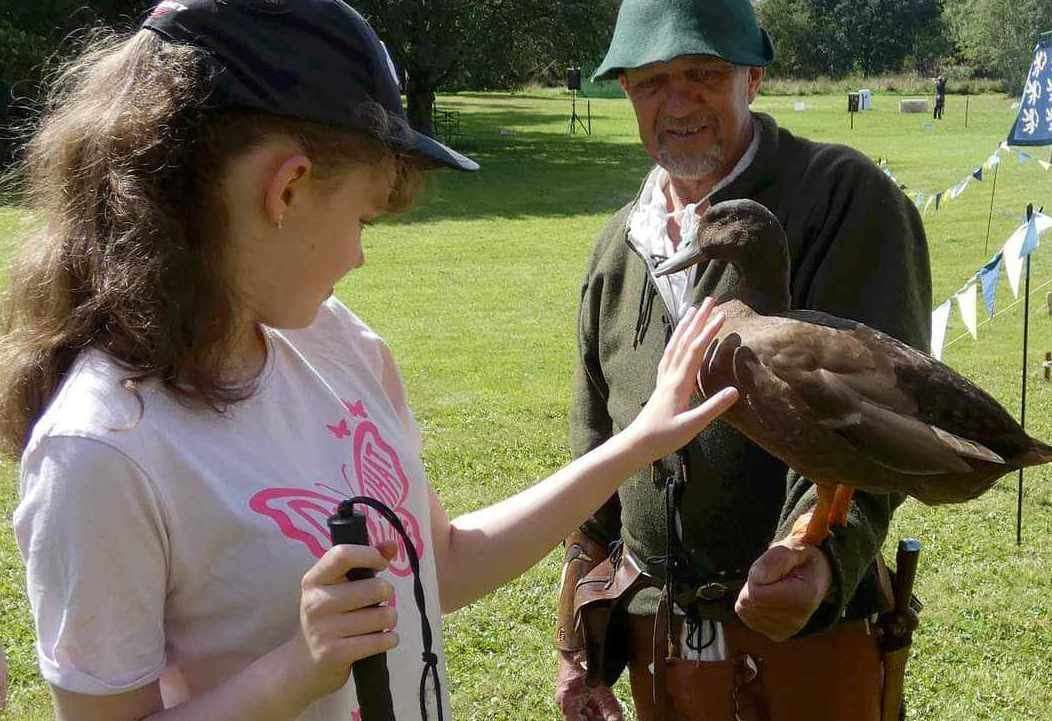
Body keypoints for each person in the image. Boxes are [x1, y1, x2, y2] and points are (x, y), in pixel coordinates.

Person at [1, 2, 741, 720]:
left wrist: (639, 439)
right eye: (362, 217)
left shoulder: (338, 348)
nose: (359, 253)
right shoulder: (102, 451)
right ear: (285, 187)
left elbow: (442, 561)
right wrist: (297, 668)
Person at [553, 1, 933, 720]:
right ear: (626, 91)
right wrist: (576, 642)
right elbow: (594, 455)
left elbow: (880, 420)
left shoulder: (840, 201)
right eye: (651, 81)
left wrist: (815, 558)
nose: (679, 102)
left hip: (804, 646)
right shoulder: (616, 246)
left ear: (751, 78)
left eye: (703, 73)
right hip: (657, 642)